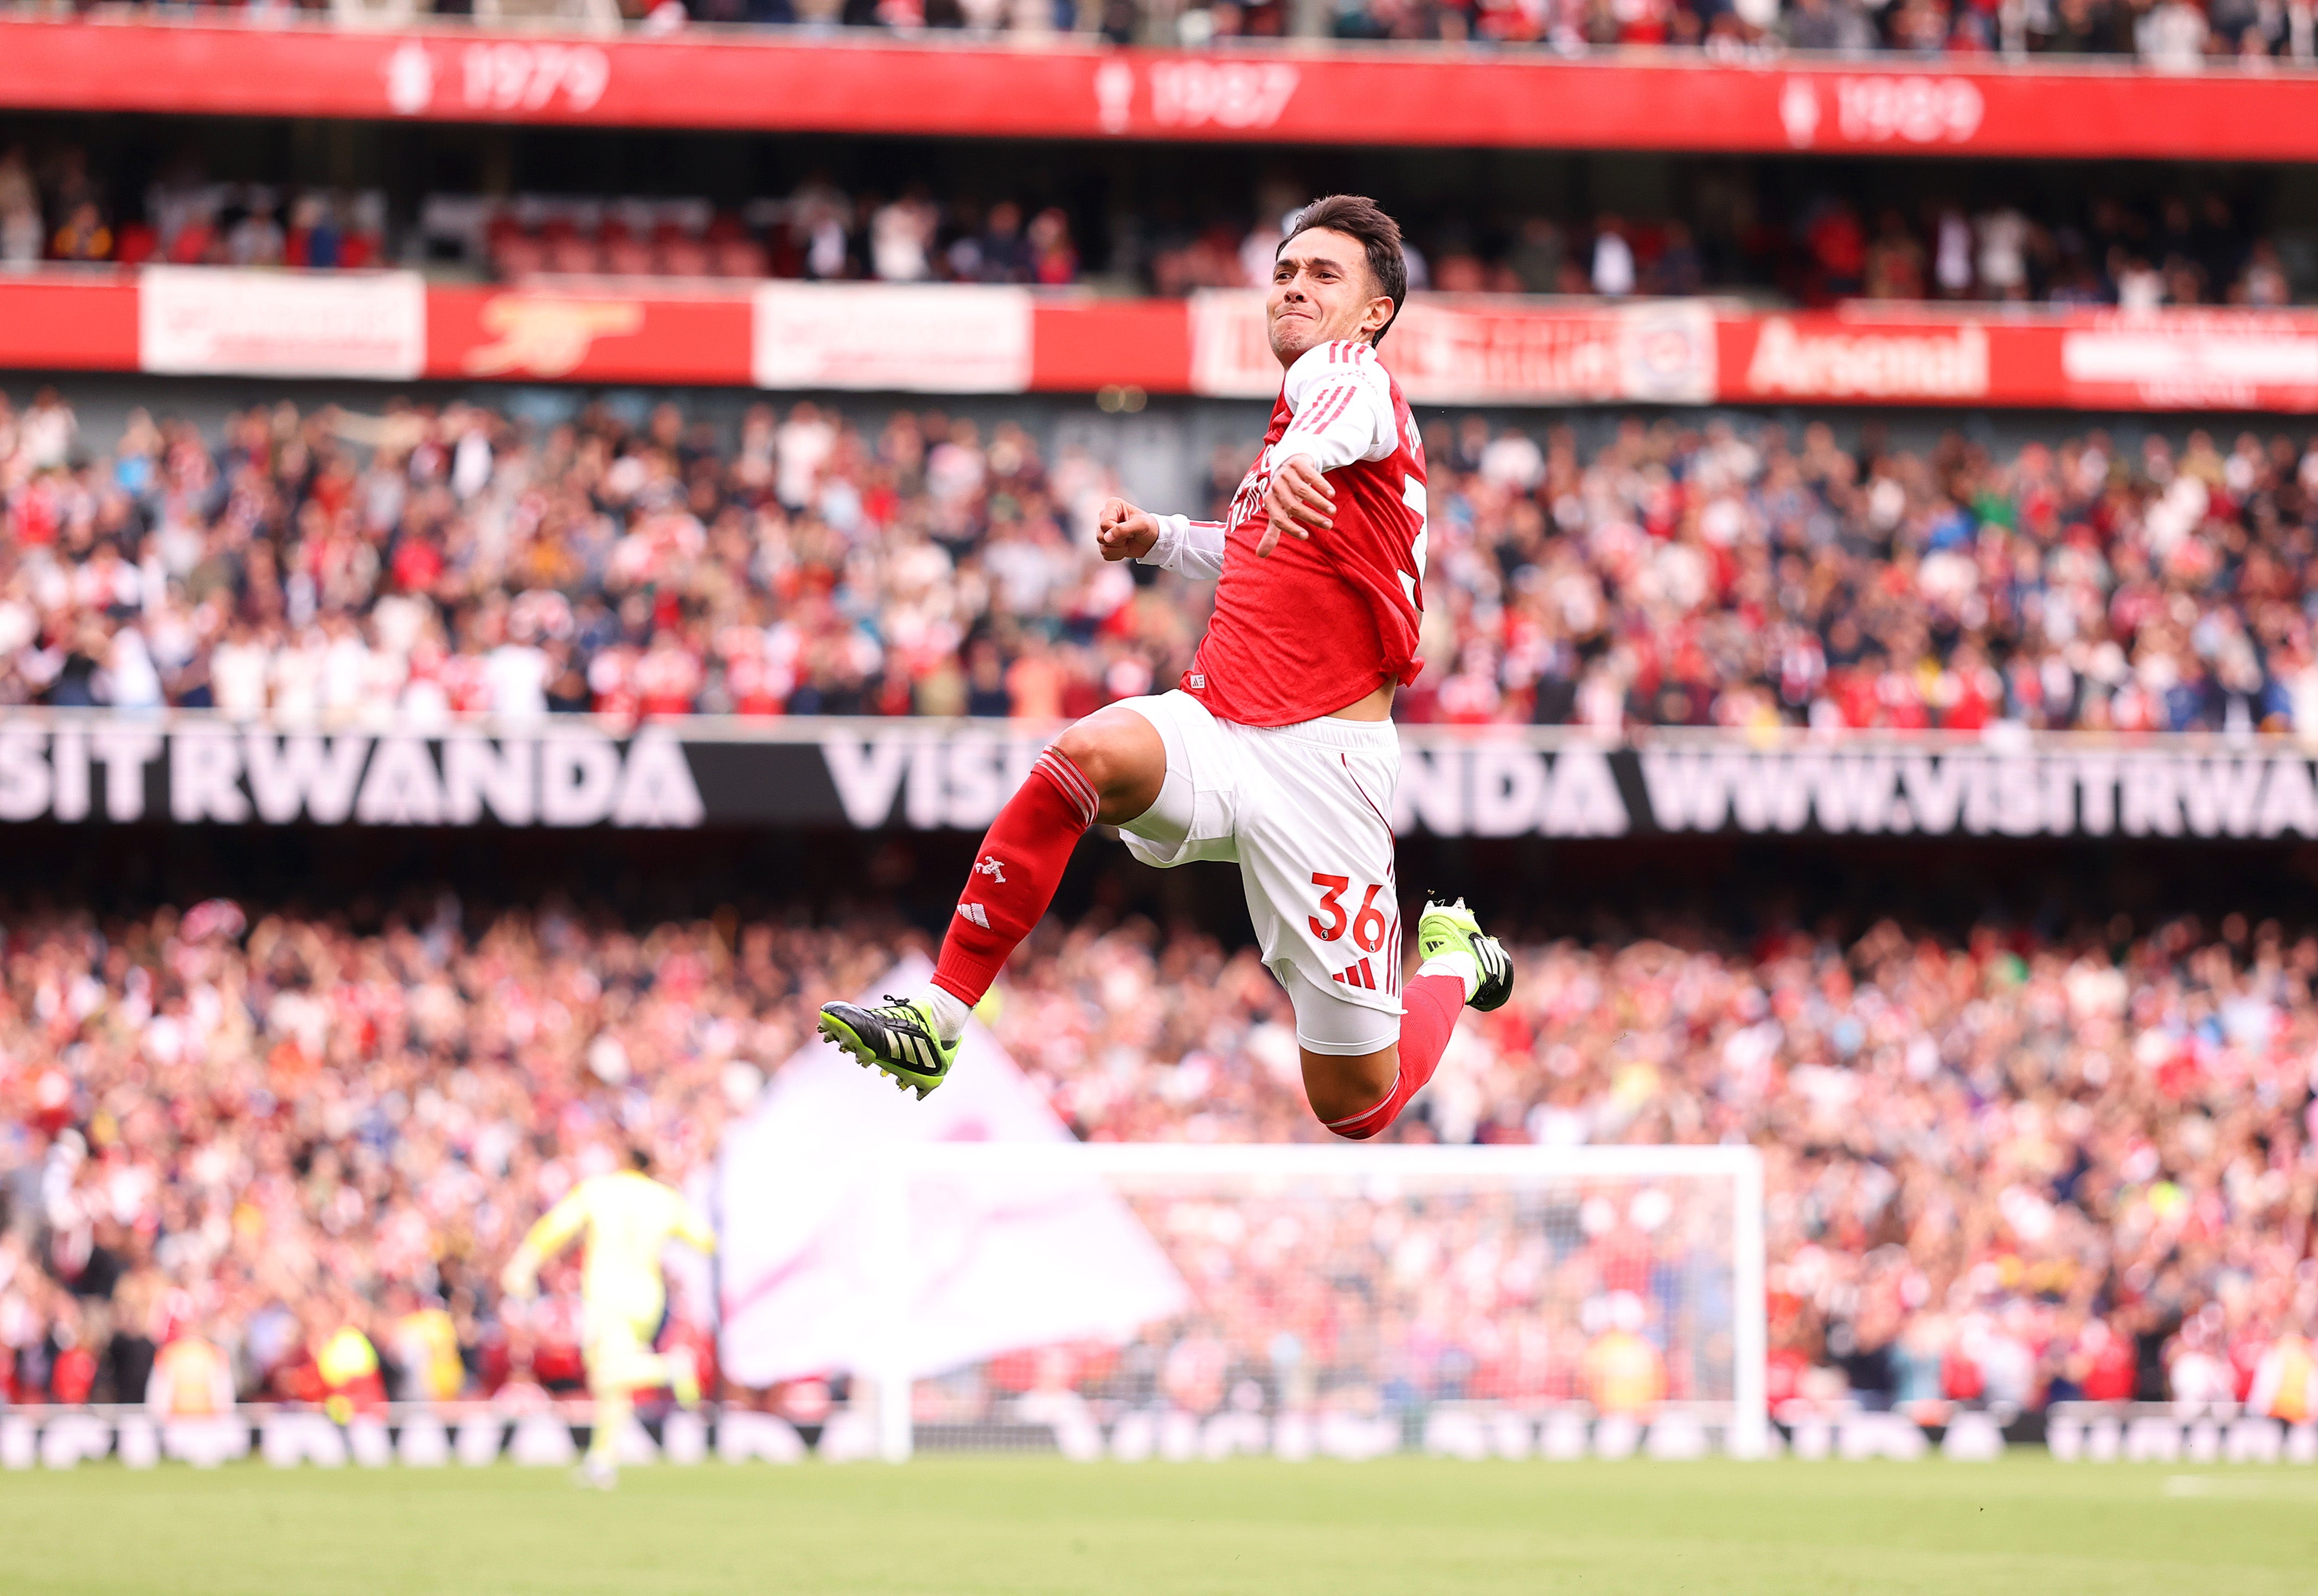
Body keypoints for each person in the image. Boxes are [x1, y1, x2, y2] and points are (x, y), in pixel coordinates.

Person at [819, 194, 1513, 1142]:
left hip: (1325, 767)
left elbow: (1337, 412)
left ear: (1373, 312)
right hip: (1221, 724)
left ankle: (1454, 962)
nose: (1293, 288)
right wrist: (1161, 539)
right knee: (1083, 755)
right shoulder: (1293, 425)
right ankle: (938, 1016)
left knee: (1355, 1104)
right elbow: (1263, 542)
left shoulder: (1348, 383)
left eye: (1322, 275)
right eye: (1282, 272)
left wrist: (1304, 452)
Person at [500, 1145, 715, 1489]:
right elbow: (706, 1240)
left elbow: (556, 1227)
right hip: (647, 1299)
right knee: (614, 1385)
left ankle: (669, 1368)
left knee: (605, 1373)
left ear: (624, 1161)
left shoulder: (599, 1190)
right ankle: (603, 1461)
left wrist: (524, 1264)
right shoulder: (664, 1198)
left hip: (607, 1296)